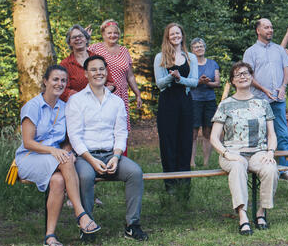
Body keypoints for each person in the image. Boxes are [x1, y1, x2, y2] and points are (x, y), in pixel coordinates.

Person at [13, 64, 100, 246]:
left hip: (55, 160)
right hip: (30, 157)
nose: (59, 83)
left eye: (63, 80)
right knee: (65, 159)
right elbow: (28, 142)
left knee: (59, 180)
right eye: (55, 79)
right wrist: (56, 152)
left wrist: (67, 151)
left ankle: (50, 236)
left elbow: (67, 140)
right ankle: (81, 214)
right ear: (45, 81)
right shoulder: (33, 106)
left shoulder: (65, 108)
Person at [66, 55, 148, 242]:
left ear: (106, 71)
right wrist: (91, 160)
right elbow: (75, 136)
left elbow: (121, 133)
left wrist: (116, 157)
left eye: (102, 69)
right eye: (93, 69)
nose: (98, 73)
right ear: (86, 74)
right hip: (86, 157)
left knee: (135, 172)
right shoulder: (76, 101)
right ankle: (87, 226)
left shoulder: (116, 102)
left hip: (111, 155)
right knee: (85, 176)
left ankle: (132, 225)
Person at [209, 61, 279, 236]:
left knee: (270, 168)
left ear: (252, 76)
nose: (243, 76)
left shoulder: (263, 103)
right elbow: (213, 138)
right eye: (238, 74)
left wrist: (270, 152)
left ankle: (261, 212)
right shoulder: (225, 104)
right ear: (232, 80)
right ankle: (242, 215)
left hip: (258, 152)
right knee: (239, 166)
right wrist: (226, 153)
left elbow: (272, 134)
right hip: (232, 153)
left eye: (246, 73)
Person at [243, 18, 288, 178]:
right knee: (261, 136)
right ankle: (263, 168)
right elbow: (247, 76)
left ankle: (285, 170)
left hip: (278, 100)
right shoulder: (250, 52)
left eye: (271, 27)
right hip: (258, 100)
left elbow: (286, 70)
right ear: (258, 30)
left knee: (283, 134)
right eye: (266, 27)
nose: (270, 30)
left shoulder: (279, 49)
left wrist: (283, 87)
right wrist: (264, 89)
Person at [154, 23, 199, 195]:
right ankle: (170, 186)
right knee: (168, 142)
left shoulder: (190, 57)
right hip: (167, 103)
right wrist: (170, 78)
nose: (175, 36)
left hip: (185, 102)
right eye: (172, 34)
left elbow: (194, 82)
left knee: (185, 141)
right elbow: (159, 83)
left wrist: (180, 79)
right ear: (167, 36)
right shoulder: (160, 57)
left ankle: (184, 186)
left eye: (178, 33)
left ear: (182, 35)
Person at [87, 19, 143, 131]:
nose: (113, 35)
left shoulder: (124, 51)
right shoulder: (95, 48)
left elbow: (130, 75)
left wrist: (138, 94)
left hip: (121, 95)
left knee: (120, 129)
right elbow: (81, 56)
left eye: (116, 33)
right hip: (102, 94)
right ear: (103, 34)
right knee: (104, 127)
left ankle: (121, 149)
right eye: (109, 33)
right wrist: (85, 39)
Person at [189, 38, 220, 167]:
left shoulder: (213, 64)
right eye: (196, 47)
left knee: (208, 131)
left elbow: (217, 83)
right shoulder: (189, 64)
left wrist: (207, 82)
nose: (199, 48)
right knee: (193, 132)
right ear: (192, 50)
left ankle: (206, 163)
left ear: (205, 48)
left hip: (209, 100)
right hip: (194, 100)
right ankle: (192, 163)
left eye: (201, 46)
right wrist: (198, 81)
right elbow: (186, 82)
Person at [60, 25, 92, 102]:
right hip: (77, 106)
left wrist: (101, 94)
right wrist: (82, 98)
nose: (78, 39)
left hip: (100, 105)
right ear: (69, 42)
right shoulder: (65, 64)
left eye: (80, 36)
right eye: (74, 37)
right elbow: (63, 89)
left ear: (86, 39)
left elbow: (110, 83)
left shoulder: (98, 59)